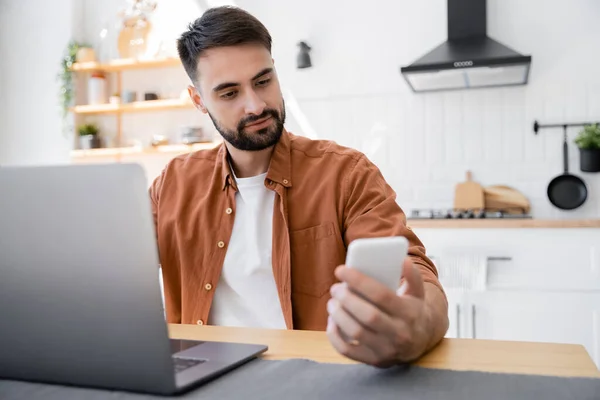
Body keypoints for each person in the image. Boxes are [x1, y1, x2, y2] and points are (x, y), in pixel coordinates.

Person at [149, 5, 448, 367]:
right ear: (199, 101)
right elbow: (114, 275)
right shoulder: (173, 184)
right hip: (203, 381)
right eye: (229, 94)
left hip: (313, 381)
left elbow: (414, 274)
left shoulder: (346, 174)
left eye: (263, 81)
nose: (256, 105)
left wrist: (421, 323)